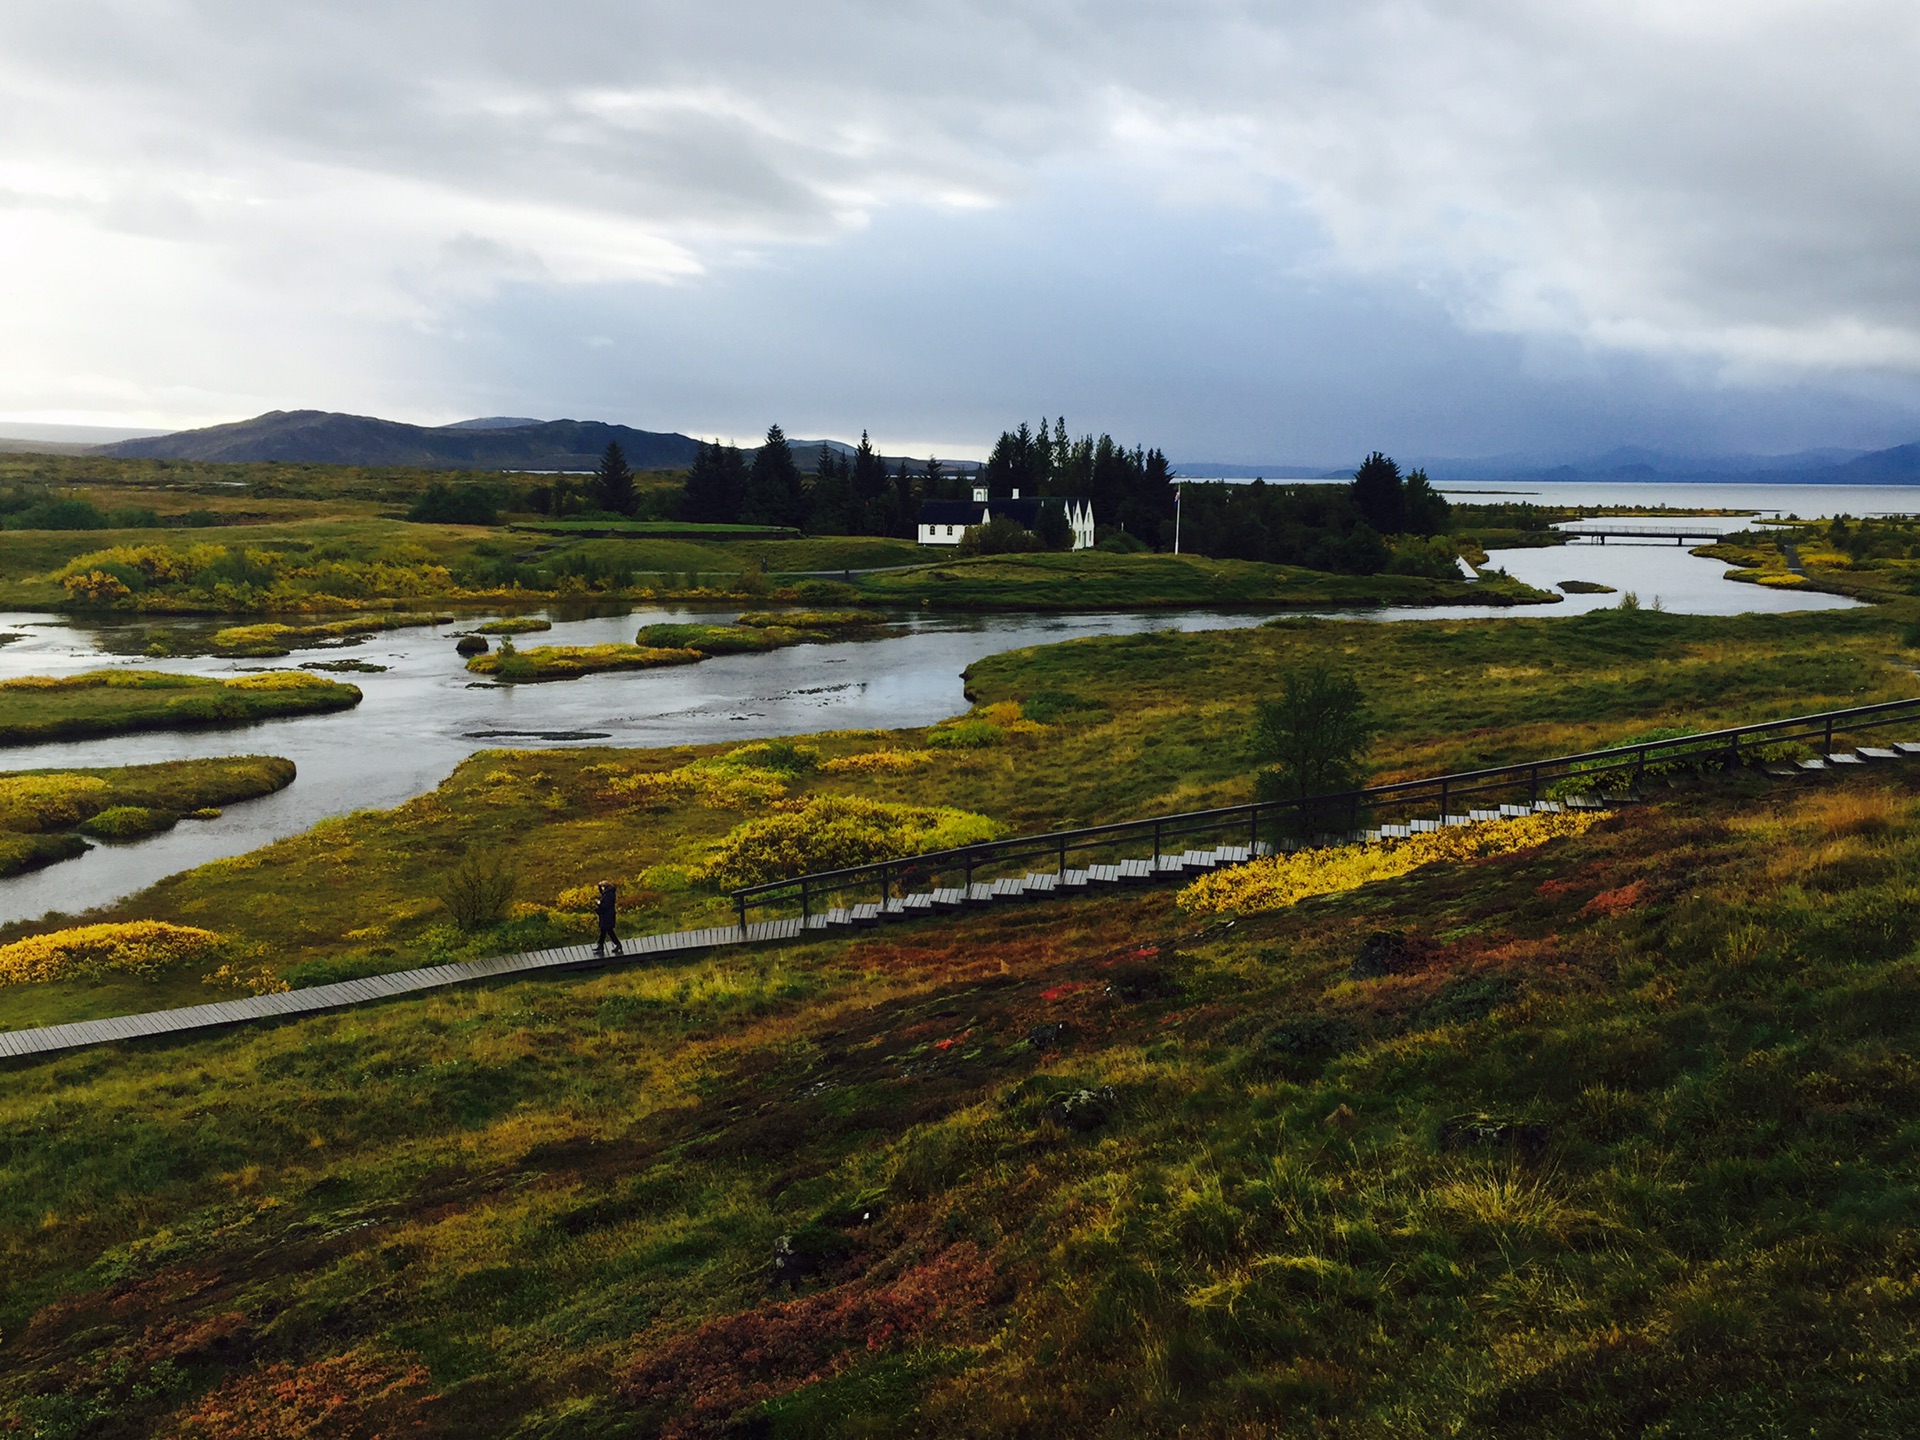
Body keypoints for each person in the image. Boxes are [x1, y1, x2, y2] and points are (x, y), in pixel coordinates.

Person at [594, 880, 622, 957]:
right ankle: (601, 945)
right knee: (605, 931)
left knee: (608, 931)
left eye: (602, 887)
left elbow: (606, 905)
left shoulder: (609, 895)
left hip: (608, 916)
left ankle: (616, 944)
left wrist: (599, 903)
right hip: (606, 915)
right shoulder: (607, 894)